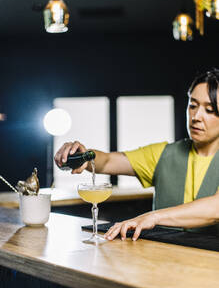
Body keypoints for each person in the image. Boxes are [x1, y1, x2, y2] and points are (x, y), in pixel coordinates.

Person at [54, 69, 219, 241]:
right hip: (162, 258)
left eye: (210, 109)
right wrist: (84, 156)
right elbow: (108, 161)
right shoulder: (164, 154)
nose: (196, 117)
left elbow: (215, 208)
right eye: (192, 105)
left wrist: (152, 217)